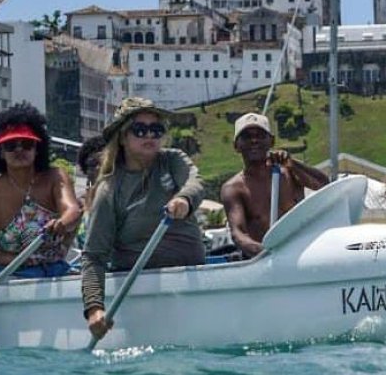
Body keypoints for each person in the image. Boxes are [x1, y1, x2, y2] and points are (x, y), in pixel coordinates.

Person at [83, 97, 206, 340]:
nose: (149, 135)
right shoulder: (109, 190)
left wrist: (184, 200)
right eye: (140, 130)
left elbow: (196, 182)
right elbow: (94, 256)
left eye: (156, 129)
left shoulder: (172, 161)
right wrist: (94, 310)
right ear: (123, 137)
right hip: (138, 285)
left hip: (191, 275)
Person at [0, 103, 82, 317]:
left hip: (57, 272)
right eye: (11, 146)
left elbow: (73, 211)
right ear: (0, 153)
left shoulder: (55, 177)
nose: (19, 150)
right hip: (10, 280)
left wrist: (61, 224)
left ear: (37, 148)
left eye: (27, 144)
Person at [220, 112, 330, 259]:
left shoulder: (290, 172)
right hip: (264, 262)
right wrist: (267, 255)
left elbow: (324, 186)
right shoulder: (233, 188)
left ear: (271, 141)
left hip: (302, 256)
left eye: (260, 135)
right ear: (236, 146)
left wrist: (293, 163)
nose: (254, 141)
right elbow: (238, 234)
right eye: (247, 137)